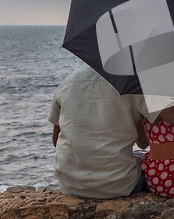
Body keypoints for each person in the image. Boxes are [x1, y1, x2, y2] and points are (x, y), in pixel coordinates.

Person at [48, 66, 159, 199]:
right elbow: (143, 143)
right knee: (143, 158)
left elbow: (56, 141)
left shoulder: (67, 83)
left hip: (70, 184)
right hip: (120, 185)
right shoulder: (132, 85)